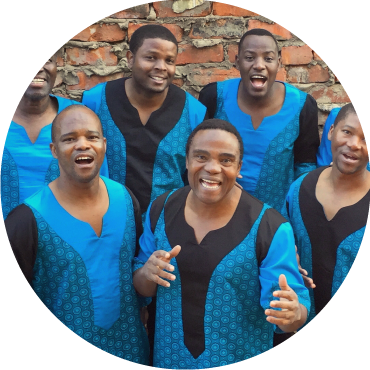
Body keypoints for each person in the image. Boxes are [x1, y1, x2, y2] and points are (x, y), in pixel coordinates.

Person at [133, 119, 310, 368]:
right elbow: (142, 286)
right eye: (201, 156)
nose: (212, 168)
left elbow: (290, 314)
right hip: (169, 360)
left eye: (226, 160)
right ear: (187, 160)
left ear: (239, 167)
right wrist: (147, 273)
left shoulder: (270, 227)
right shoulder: (161, 210)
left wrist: (292, 314)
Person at [5, 105, 149, 364]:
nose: (83, 145)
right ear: (54, 150)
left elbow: (137, 270)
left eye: (92, 137)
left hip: (131, 348)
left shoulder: (127, 200)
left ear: (104, 145)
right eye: (69, 139)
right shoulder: (26, 220)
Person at [82, 24, 207, 220]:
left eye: (169, 60)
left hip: (168, 223)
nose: (161, 67)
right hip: (105, 221)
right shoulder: (96, 102)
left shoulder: (193, 112)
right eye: (151, 57)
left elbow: (196, 173)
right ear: (130, 59)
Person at [199, 28, 319, 212]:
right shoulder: (214, 97)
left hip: (275, 219)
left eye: (268, 58)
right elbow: (197, 155)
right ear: (237, 62)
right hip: (217, 211)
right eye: (249, 57)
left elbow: (305, 166)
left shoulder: (302, 106)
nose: (259, 65)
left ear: (279, 63)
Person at [282, 103, 369, 329]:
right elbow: (284, 252)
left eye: (365, 139)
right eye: (347, 132)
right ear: (331, 131)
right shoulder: (300, 189)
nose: (353, 144)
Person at [0, 50, 86, 220]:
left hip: (63, 237)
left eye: (47, 60)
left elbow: (97, 185)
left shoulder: (78, 117)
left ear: (56, 66)